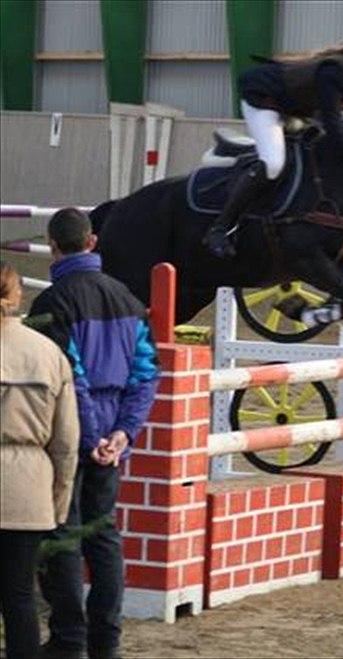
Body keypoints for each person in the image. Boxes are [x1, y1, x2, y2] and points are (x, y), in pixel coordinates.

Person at [27, 208, 160, 659]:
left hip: (71, 436)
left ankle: (69, 639)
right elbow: (145, 375)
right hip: (113, 437)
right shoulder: (129, 299)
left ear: (52, 244)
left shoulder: (52, 303)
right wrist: (123, 432)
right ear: (92, 242)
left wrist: (89, 437)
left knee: (63, 535)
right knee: (104, 538)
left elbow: (70, 379)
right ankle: (108, 641)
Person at [204, 17, 343, 259]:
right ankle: (220, 228)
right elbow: (336, 134)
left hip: (298, 109)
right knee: (273, 163)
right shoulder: (336, 73)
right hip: (264, 100)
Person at [0, 262, 79, 659]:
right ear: (17, 298)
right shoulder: (48, 353)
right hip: (28, 491)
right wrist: (59, 503)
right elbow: (66, 442)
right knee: (19, 598)